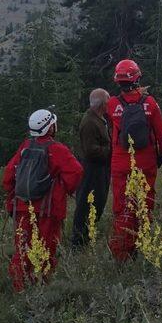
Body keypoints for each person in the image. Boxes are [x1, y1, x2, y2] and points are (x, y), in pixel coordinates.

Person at [2, 108, 83, 291]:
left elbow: (8, 177)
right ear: (50, 127)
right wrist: (63, 189)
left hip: (22, 206)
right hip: (47, 208)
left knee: (23, 247)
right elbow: (76, 171)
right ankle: (43, 286)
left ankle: (20, 287)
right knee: (47, 247)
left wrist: (13, 197)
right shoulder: (56, 149)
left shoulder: (25, 147)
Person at [106, 59, 162, 262]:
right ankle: (143, 245)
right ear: (137, 78)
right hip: (145, 160)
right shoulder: (150, 103)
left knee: (123, 205)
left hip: (121, 163)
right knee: (145, 202)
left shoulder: (113, 104)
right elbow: (161, 133)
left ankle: (123, 251)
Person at [71, 89, 112, 247]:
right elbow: (91, 150)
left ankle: (88, 236)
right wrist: (111, 149)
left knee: (99, 202)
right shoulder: (89, 122)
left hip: (101, 168)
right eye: (107, 102)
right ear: (102, 104)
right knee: (86, 205)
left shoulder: (99, 119)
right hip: (92, 170)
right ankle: (79, 241)